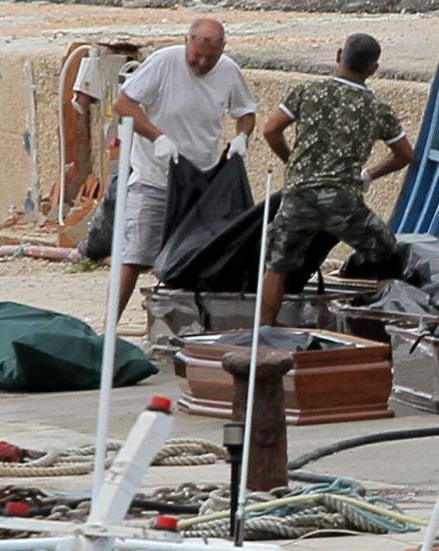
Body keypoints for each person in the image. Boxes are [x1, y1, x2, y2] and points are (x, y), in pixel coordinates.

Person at [260, 33, 414, 325]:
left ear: (339, 54)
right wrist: (368, 174)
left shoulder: (308, 91)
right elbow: (405, 155)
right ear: (373, 69)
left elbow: (271, 130)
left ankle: (265, 332)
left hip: (299, 197)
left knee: (276, 267)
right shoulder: (378, 108)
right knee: (385, 252)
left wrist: (292, 164)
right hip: (343, 201)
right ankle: (384, 324)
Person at [112, 18, 257, 318]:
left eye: (211, 58)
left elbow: (246, 111)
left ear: (223, 50)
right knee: (135, 255)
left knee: (189, 257)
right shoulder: (163, 63)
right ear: (186, 42)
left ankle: (171, 322)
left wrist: (242, 136)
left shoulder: (229, 71)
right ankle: (108, 327)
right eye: (197, 56)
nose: (203, 63)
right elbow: (124, 104)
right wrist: (157, 137)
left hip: (200, 183)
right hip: (154, 177)